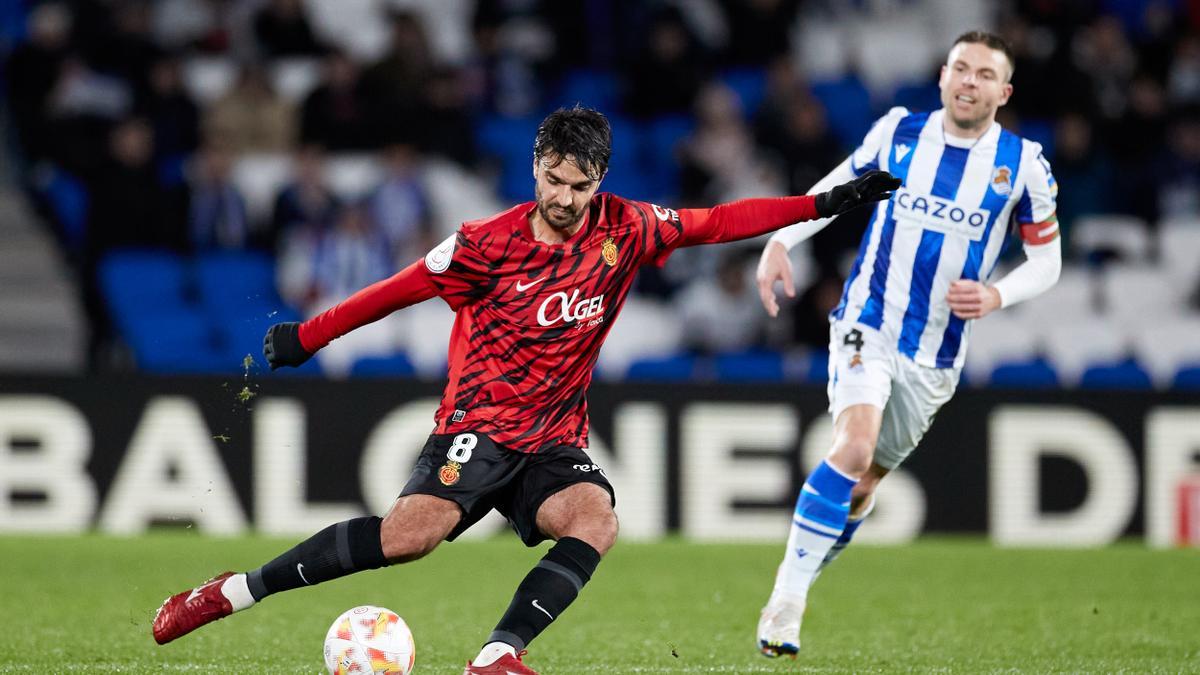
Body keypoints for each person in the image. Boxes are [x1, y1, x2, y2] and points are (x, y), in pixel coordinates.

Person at [150, 105, 899, 674]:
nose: (566, 198)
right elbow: (397, 291)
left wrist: (820, 204)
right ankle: (233, 590)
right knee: (408, 537)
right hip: (476, 423)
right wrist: (307, 337)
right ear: (536, 164)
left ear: (598, 180)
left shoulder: (627, 228)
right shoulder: (484, 245)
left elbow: (717, 221)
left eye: (580, 185)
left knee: (595, 518)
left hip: (554, 436)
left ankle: (497, 655)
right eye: (554, 179)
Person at [754, 31, 1062, 658]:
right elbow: (835, 193)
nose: (968, 81)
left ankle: (802, 575)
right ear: (943, 75)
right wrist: (781, 242)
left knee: (864, 484)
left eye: (983, 74)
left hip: (936, 353)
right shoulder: (899, 132)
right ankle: (787, 599)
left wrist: (1000, 295)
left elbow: (1046, 259)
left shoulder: (1023, 164)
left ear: (1002, 92)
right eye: (959, 68)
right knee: (853, 444)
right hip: (870, 318)